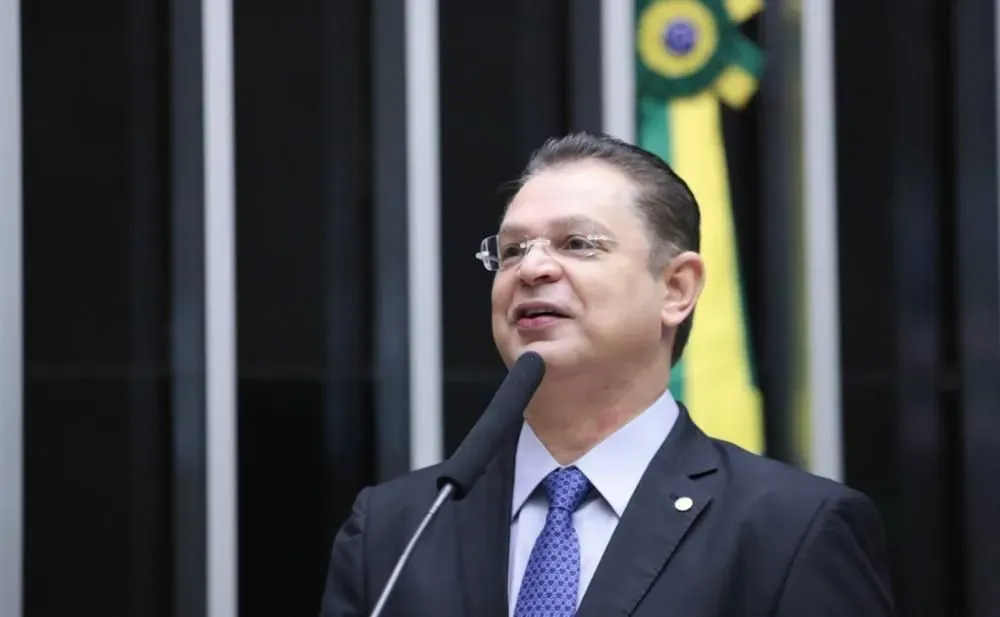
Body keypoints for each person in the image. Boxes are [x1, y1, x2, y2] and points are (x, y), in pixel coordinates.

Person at [319, 132, 895, 617]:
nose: (533, 268)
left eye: (577, 243)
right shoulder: (398, 530)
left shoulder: (791, 530)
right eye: (513, 250)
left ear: (676, 288)